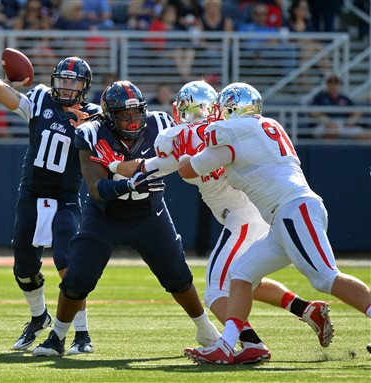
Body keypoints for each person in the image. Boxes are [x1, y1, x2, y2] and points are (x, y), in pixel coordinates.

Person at [95, 80, 335, 364]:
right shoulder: (209, 135)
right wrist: (113, 165)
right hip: (249, 217)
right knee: (244, 282)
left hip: (243, 218)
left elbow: (176, 148)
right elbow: (149, 168)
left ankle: (249, 342)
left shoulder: (220, 134)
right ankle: (306, 310)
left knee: (216, 291)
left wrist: (117, 163)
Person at [176, 82, 371, 364]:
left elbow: (192, 160)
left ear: (231, 109)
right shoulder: (260, 127)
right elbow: (211, 157)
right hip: (283, 217)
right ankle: (228, 345)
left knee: (326, 277)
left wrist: (181, 145)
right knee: (241, 275)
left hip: (293, 209)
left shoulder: (236, 130)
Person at [31, 80, 220, 357]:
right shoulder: (91, 133)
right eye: (124, 116)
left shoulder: (162, 123)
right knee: (78, 279)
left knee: (178, 277)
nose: (133, 121)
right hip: (105, 217)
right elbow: (96, 188)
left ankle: (206, 331)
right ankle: (57, 337)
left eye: (137, 114)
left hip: (150, 215)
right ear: (109, 116)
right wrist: (127, 184)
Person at [0, 57, 101, 354]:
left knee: (67, 261)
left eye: (73, 81)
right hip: (32, 195)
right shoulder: (39, 99)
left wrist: (90, 130)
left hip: (65, 198)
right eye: (62, 80)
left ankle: (82, 333)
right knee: (24, 268)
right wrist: (11, 82)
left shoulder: (93, 115)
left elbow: (106, 148)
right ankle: (39, 317)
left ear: (84, 87)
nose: (66, 86)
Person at [310, 73, 370, 140]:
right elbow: (313, 112)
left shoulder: (344, 98)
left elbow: (357, 111)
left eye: (336, 83)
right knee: (331, 132)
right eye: (331, 83)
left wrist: (351, 121)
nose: (333, 86)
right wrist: (327, 121)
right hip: (324, 124)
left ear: (339, 85)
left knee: (367, 135)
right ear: (327, 84)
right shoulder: (320, 97)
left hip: (342, 125)